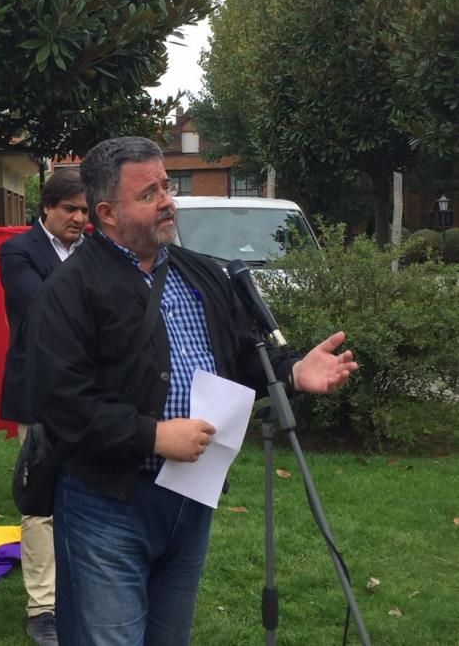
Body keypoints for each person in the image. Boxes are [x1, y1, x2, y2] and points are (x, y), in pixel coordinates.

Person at [23, 137, 358, 646]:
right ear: (108, 212)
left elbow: (241, 356)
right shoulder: (68, 291)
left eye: (166, 186)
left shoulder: (200, 273)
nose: (166, 200)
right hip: (107, 504)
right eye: (149, 192)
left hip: (189, 498)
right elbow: (61, 400)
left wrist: (292, 372)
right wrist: (151, 436)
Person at [0, 168, 89, 646]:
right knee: (41, 501)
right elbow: (41, 307)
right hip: (39, 394)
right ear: (47, 209)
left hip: (92, 394)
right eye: (70, 209)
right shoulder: (17, 251)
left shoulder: (94, 251)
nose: (79, 218)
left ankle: (81, 593)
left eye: (84, 210)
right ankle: (43, 608)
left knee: (89, 493)